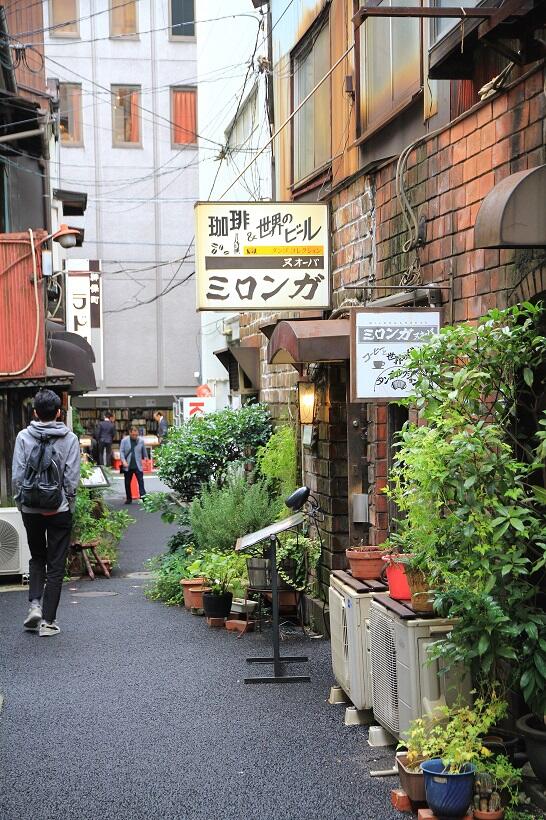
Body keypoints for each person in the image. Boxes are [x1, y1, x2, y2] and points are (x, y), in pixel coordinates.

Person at [12, 389, 80, 637]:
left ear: (35, 413)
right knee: (56, 563)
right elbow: (71, 478)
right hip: (58, 508)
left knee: (37, 556)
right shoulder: (69, 438)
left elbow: (18, 476)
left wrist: (22, 505)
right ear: (59, 413)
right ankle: (48, 622)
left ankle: (34, 605)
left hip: (31, 508)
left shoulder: (22, 436)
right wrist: (68, 504)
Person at [120, 426, 147, 504]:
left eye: (136, 434)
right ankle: (129, 498)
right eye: (133, 434)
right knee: (127, 482)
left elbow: (144, 451)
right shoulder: (124, 441)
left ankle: (143, 497)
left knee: (141, 482)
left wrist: (145, 458)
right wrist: (123, 461)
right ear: (130, 433)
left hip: (138, 464)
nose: (135, 436)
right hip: (128, 465)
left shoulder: (141, 441)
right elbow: (121, 452)